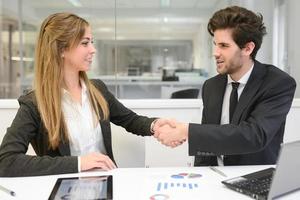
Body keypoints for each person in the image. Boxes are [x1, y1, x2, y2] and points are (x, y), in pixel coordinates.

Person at [0, 13, 172, 177]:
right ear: (61, 49)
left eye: (92, 42)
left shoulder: (97, 90)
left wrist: (155, 125)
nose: (93, 49)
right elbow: (6, 161)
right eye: (85, 43)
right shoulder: (35, 103)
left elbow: (130, 120)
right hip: (65, 188)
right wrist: (79, 163)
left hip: (108, 181)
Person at [155, 6, 296, 166]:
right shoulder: (211, 86)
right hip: (215, 177)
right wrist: (200, 175)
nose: (215, 52)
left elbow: (253, 135)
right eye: (215, 44)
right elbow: (207, 140)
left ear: (248, 48)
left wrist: (186, 130)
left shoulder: (276, 83)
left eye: (224, 46)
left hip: (255, 177)